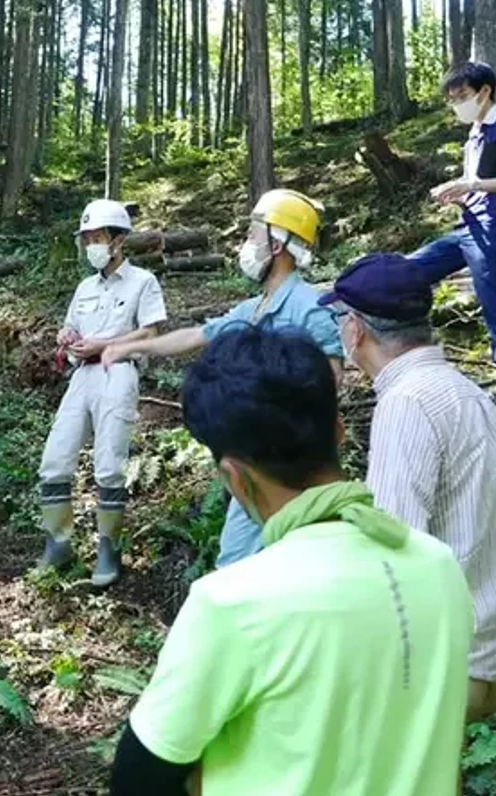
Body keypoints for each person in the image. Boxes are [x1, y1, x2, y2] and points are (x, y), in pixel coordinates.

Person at [111, 327, 473, 796]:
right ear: (339, 428)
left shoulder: (235, 602)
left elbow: (137, 786)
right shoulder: (437, 568)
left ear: (234, 477)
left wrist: (221, 777)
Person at [322, 252, 496, 796]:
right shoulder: (464, 390)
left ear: (356, 330)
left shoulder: (407, 405)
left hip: (441, 662)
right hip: (484, 647)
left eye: (341, 324)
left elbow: (393, 554)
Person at [102, 189, 342, 567]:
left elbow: (330, 381)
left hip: (294, 468)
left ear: (277, 245)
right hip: (253, 463)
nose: (246, 243)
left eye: (253, 234)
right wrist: (128, 348)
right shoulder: (252, 309)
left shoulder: (309, 308)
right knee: (234, 559)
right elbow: (195, 335)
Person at [36, 198, 168, 587]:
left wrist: (104, 343)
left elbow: (150, 332)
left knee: (109, 464)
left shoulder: (143, 281)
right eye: (87, 238)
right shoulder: (84, 287)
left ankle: (108, 549)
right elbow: (70, 327)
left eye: (97, 237)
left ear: (118, 240)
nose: (91, 244)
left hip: (118, 372)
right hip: (83, 375)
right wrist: (67, 336)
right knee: (54, 460)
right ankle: (58, 544)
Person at [409, 62, 496, 376]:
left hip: (495, 222)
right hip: (469, 222)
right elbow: (474, 182)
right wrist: (457, 193)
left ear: (485, 91)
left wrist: (472, 185)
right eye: (452, 99)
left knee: (493, 291)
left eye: (462, 96)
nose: (457, 104)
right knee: (411, 270)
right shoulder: (474, 131)